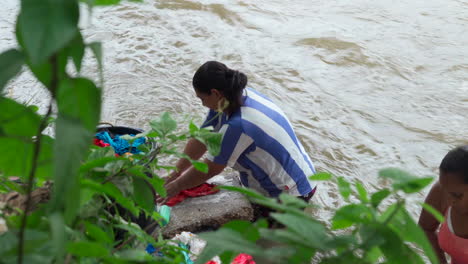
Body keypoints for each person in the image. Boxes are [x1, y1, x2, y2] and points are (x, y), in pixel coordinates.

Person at [157, 61, 317, 218]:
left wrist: (176, 187)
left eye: (202, 99)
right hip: (294, 172)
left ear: (215, 93)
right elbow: (203, 138)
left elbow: (211, 167)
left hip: (291, 191)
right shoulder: (233, 97)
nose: (203, 104)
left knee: (264, 237)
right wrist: (175, 174)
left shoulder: (239, 125)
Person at [418, 145, 468, 264]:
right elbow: (425, 229)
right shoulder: (442, 190)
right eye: (446, 191)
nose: (449, 201)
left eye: (457, 195)